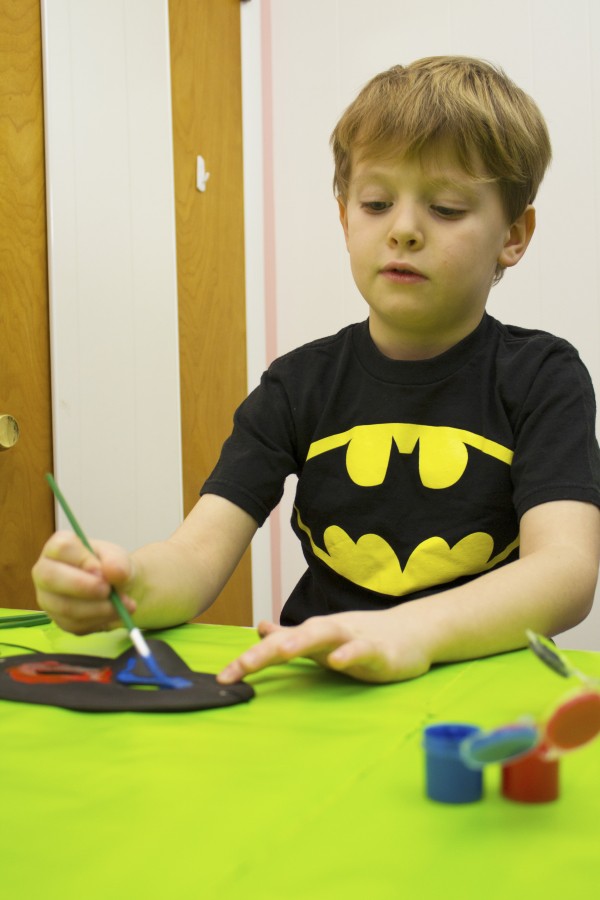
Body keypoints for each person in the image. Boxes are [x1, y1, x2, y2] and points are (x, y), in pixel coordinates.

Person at [33, 56, 600, 685]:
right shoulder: (296, 385)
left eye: (445, 208)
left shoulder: (543, 375)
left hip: (479, 687)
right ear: (344, 217)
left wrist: (414, 630)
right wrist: (126, 583)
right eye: (377, 202)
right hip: (322, 687)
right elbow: (195, 556)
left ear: (513, 235)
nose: (404, 230)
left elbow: (566, 571)